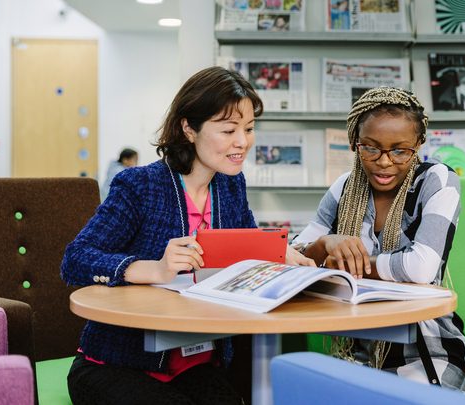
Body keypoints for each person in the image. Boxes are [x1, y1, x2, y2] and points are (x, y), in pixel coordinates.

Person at [61, 66, 313, 405]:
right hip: (116, 366)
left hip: (196, 364)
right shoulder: (140, 185)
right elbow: (75, 259)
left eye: (249, 128)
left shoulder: (230, 185)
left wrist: (278, 254)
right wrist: (152, 268)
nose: (243, 142)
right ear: (188, 129)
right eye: (228, 130)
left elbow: (246, 244)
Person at [290, 87, 465, 390]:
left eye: (400, 150)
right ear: (354, 143)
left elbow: (421, 267)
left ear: (419, 144)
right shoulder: (344, 187)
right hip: (356, 353)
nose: (384, 161)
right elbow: (292, 259)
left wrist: (345, 265)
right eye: (370, 148)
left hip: (426, 351)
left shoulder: (437, 180)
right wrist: (325, 244)